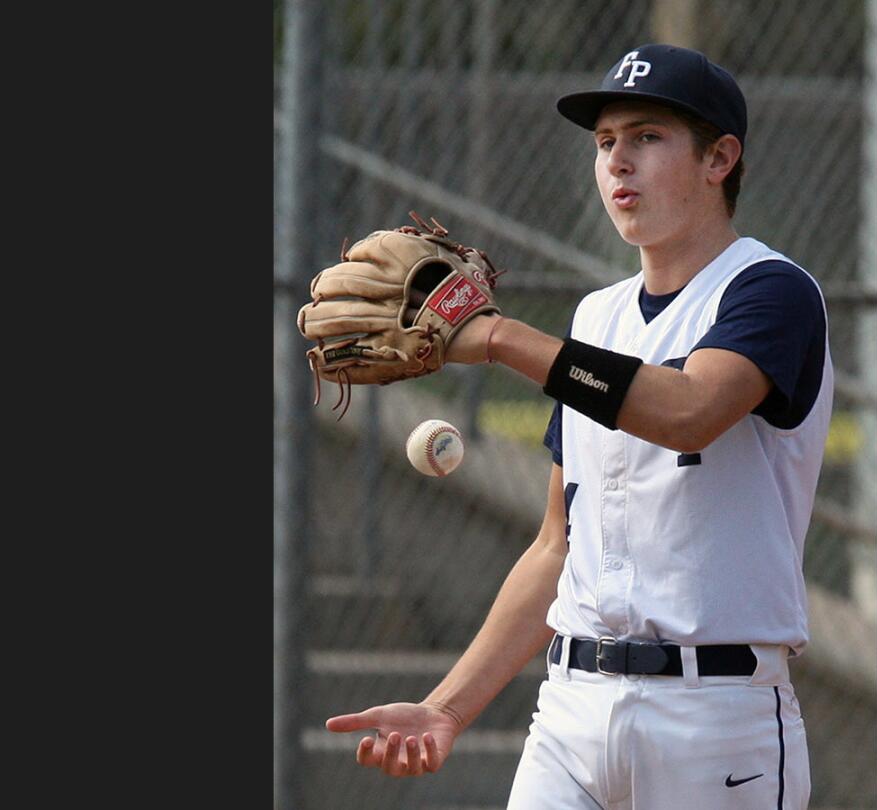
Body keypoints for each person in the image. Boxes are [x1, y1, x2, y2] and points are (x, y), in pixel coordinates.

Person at [325, 43, 833, 809]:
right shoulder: (595, 318)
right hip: (572, 710)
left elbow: (690, 411)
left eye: (647, 137)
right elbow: (556, 545)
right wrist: (448, 706)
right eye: (604, 143)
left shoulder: (770, 291)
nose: (617, 162)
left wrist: (498, 336)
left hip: (715, 719)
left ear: (720, 157)